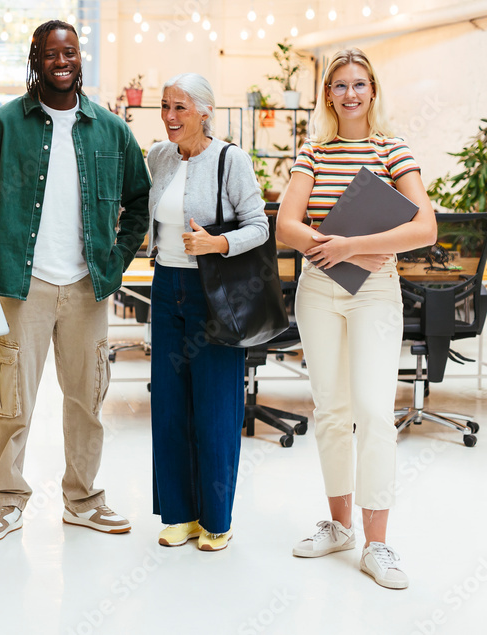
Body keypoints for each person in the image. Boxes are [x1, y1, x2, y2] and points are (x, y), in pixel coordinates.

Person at [0, 20, 150, 542]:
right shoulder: (0, 125)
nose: (62, 61)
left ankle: (83, 498)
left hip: (88, 286)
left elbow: (140, 201)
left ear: (79, 58)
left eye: (70, 52)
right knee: (11, 400)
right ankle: (5, 499)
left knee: (87, 399)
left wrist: (114, 262)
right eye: (52, 53)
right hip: (20, 285)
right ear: (35, 59)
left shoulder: (111, 129)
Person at [276, 48, 436, 589]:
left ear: (373, 91)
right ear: (328, 95)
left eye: (359, 84)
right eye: (340, 85)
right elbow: (286, 226)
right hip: (320, 286)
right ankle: (340, 526)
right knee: (331, 408)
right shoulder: (314, 151)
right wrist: (338, 249)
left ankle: (378, 544)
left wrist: (356, 245)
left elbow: (425, 228)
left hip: (375, 291)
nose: (350, 93)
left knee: (371, 410)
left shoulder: (393, 150)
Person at [145, 73, 268, 552]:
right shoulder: (160, 157)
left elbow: (259, 226)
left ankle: (217, 519)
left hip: (213, 291)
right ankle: (179, 514)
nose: (170, 117)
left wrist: (217, 243)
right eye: (165, 106)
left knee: (215, 407)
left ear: (204, 112)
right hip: (166, 285)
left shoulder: (230, 160)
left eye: (180, 107)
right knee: (170, 404)